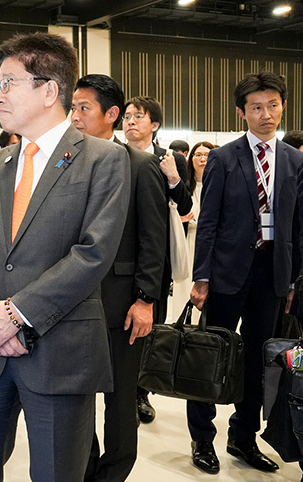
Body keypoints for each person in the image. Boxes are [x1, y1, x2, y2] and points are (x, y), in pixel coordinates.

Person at [0, 32, 130, 481]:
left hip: (59, 354)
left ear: (49, 90)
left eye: (8, 82)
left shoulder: (103, 160)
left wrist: (17, 314)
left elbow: (93, 253)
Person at [187, 71, 303, 475]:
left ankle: (243, 436)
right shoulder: (223, 157)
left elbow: (297, 226)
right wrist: (201, 276)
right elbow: (208, 221)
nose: (266, 114)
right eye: (256, 107)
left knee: (258, 360)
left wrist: (293, 280)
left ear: (283, 107)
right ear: (242, 113)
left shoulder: (295, 160)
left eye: (273, 105)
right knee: (211, 354)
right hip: (225, 272)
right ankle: (202, 438)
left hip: (271, 274)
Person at [72, 74, 167, 482]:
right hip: (72, 302)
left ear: (111, 114)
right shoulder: (66, 161)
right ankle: (84, 465)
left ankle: (113, 472)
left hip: (123, 304)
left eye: (84, 108)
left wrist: (145, 300)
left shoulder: (139, 166)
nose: (75, 116)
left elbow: (153, 240)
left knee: (120, 398)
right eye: (72, 107)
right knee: (76, 397)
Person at [122, 95, 193, 423]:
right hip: (119, 254)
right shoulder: (114, 154)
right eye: (127, 115)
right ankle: (121, 388)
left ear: (155, 124)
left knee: (150, 326)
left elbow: (186, 205)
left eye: (138, 116)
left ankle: (141, 392)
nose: (130, 121)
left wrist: (174, 178)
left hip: (155, 258)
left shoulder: (168, 158)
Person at [170, 141, 216, 318]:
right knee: (183, 286)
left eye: (207, 155)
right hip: (186, 241)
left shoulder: (218, 184)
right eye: (198, 155)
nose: (203, 159)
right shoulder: (185, 186)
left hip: (209, 244)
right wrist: (179, 220)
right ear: (191, 158)